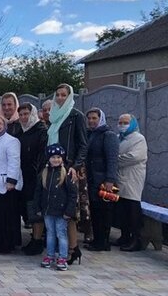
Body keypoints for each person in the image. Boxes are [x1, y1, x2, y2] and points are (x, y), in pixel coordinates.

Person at [47, 83, 88, 264]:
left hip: (68, 168)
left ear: (70, 96)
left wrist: (76, 165)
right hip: (52, 167)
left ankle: (73, 249)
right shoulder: (54, 116)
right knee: (55, 209)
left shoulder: (75, 116)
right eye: (58, 95)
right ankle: (61, 249)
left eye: (64, 95)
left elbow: (83, 144)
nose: (60, 98)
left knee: (68, 212)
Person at [36, 144, 78, 271]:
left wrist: (69, 211)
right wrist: (38, 207)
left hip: (62, 211)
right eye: (53, 157)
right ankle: (49, 255)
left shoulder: (66, 174)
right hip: (48, 210)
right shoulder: (44, 173)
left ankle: (63, 257)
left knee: (61, 234)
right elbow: (38, 192)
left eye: (59, 157)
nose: (56, 159)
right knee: (50, 233)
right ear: (48, 158)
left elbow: (72, 194)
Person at [83, 108, 119, 252]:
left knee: (104, 211)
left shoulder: (108, 135)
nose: (91, 121)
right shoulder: (90, 134)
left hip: (104, 180)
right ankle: (97, 239)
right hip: (92, 179)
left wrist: (110, 179)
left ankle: (103, 242)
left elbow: (112, 159)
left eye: (94, 118)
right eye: (89, 118)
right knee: (95, 211)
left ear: (100, 119)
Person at [0, 114, 23, 254]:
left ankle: (6, 245)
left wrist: (11, 181)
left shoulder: (12, 141)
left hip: (6, 184)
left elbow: (14, 161)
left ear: (4, 126)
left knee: (6, 216)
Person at [17, 103, 48, 256]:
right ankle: (34, 239)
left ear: (33, 114)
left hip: (36, 176)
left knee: (36, 210)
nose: (23, 117)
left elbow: (42, 155)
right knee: (29, 209)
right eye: (21, 114)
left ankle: (37, 240)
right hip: (24, 176)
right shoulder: (21, 131)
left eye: (26, 114)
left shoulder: (41, 131)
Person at [115, 114, 148, 252]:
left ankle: (136, 240)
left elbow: (135, 157)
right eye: (120, 122)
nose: (122, 125)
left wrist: (114, 160)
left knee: (132, 208)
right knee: (122, 209)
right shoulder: (119, 138)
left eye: (125, 122)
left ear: (133, 124)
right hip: (120, 178)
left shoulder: (138, 139)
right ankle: (124, 236)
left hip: (132, 178)